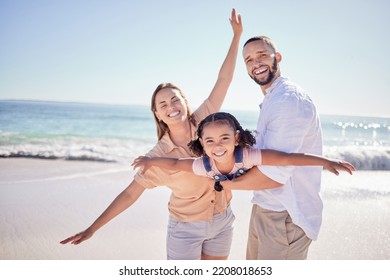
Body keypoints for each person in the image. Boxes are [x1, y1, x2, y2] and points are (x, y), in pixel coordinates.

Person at [60, 9, 243, 260]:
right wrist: (93, 228)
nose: (171, 107)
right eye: (163, 105)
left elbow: (224, 79)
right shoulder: (158, 156)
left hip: (223, 221)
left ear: (185, 102)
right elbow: (129, 194)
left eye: (174, 100)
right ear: (157, 114)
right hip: (186, 228)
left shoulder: (204, 122)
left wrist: (236, 36)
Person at [220, 35, 329, 260]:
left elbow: (274, 175)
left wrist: (224, 185)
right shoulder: (272, 98)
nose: (255, 64)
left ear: (277, 58)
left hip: (286, 216)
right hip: (265, 207)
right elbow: (264, 158)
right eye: (249, 60)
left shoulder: (288, 100)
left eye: (262, 56)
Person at [132, 112, 354, 186]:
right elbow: (175, 164)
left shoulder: (247, 155)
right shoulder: (204, 165)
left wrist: (326, 162)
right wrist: (149, 161)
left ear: (236, 138)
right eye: (209, 141)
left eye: (225, 138)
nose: (217, 146)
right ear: (201, 143)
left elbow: (286, 158)